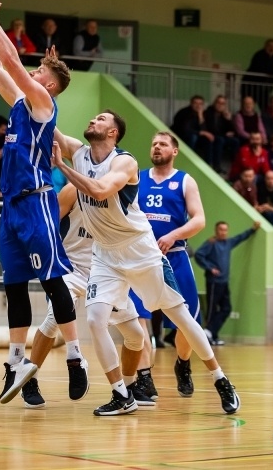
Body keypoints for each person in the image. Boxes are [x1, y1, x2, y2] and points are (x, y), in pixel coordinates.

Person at [53, 110, 241, 415]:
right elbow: (46, 119)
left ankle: (220, 379)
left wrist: (61, 166)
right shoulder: (80, 153)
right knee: (95, 319)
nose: (93, 120)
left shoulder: (124, 162)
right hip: (105, 253)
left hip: (142, 251)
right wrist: (33, 86)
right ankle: (121, 394)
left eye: (101, 119)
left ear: (113, 132)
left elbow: (100, 190)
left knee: (181, 318)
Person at [0, 0, 87, 406]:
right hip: (11, 207)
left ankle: (74, 357)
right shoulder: (20, 102)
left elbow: (14, 63)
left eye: (38, 73)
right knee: (15, 287)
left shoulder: (42, 105)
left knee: (52, 282)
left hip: (37, 203)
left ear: (48, 84)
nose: (30, 74)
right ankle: (17, 365)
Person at [21, 183, 142, 409]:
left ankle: (128, 388)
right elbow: (46, 226)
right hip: (71, 269)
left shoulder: (118, 190)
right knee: (54, 318)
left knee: (136, 335)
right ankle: (29, 379)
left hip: (105, 271)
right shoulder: (72, 190)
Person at [130, 131, 208, 401]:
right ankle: (144, 378)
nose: (157, 147)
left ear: (174, 151)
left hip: (174, 256)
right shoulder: (136, 177)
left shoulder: (185, 181)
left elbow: (199, 220)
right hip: (140, 259)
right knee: (137, 320)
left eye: (163, 144)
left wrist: (174, 234)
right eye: (153, 144)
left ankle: (183, 364)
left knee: (186, 325)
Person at [194, 221, 260, 345]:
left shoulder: (229, 243)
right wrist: (210, 268)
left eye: (225, 230)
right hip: (213, 282)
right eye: (221, 230)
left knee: (226, 308)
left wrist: (253, 230)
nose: (223, 232)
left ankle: (209, 332)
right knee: (212, 310)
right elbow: (198, 254)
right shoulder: (211, 243)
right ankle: (208, 336)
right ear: (216, 231)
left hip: (224, 282)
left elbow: (240, 238)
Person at [242, 39, 273, 114]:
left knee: (266, 109)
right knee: (248, 107)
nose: (271, 48)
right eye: (269, 46)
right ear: (265, 47)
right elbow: (264, 69)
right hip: (251, 85)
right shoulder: (259, 55)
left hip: (264, 88)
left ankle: (264, 124)